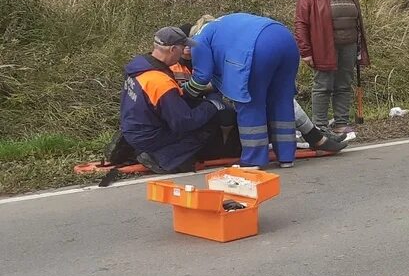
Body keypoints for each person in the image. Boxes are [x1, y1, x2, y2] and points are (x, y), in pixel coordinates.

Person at [171, 25, 346, 154]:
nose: (187, 49)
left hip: (223, 89)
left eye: (189, 45)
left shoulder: (208, 49)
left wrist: (194, 89)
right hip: (209, 98)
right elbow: (206, 81)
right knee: (267, 101)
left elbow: (213, 81)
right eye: (184, 46)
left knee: (282, 100)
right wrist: (188, 92)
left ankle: (311, 137)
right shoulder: (180, 59)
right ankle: (308, 140)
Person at [186, 13, 301, 167]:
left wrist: (187, 92)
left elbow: (202, 75)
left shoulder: (199, 38)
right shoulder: (226, 24)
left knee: (251, 102)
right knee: (281, 100)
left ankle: (254, 160)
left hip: (257, 47)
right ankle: (287, 157)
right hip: (285, 38)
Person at [119, 27, 227, 174]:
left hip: (133, 128)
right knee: (205, 125)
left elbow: (164, 101)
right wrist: (212, 104)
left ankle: (146, 150)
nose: (184, 52)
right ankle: (162, 158)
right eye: (182, 48)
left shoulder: (141, 67)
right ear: (173, 49)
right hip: (148, 136)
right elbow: (184, 122)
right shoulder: (160, 82)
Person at [295, 0, 369, 135]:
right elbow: (301, 22)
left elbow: (356, 18)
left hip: (349, 44)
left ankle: (340, 123)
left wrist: (359, 46)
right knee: (323, 85)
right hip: (323, 45)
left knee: (343, 84)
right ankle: (319, 126)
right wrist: (305, 51)